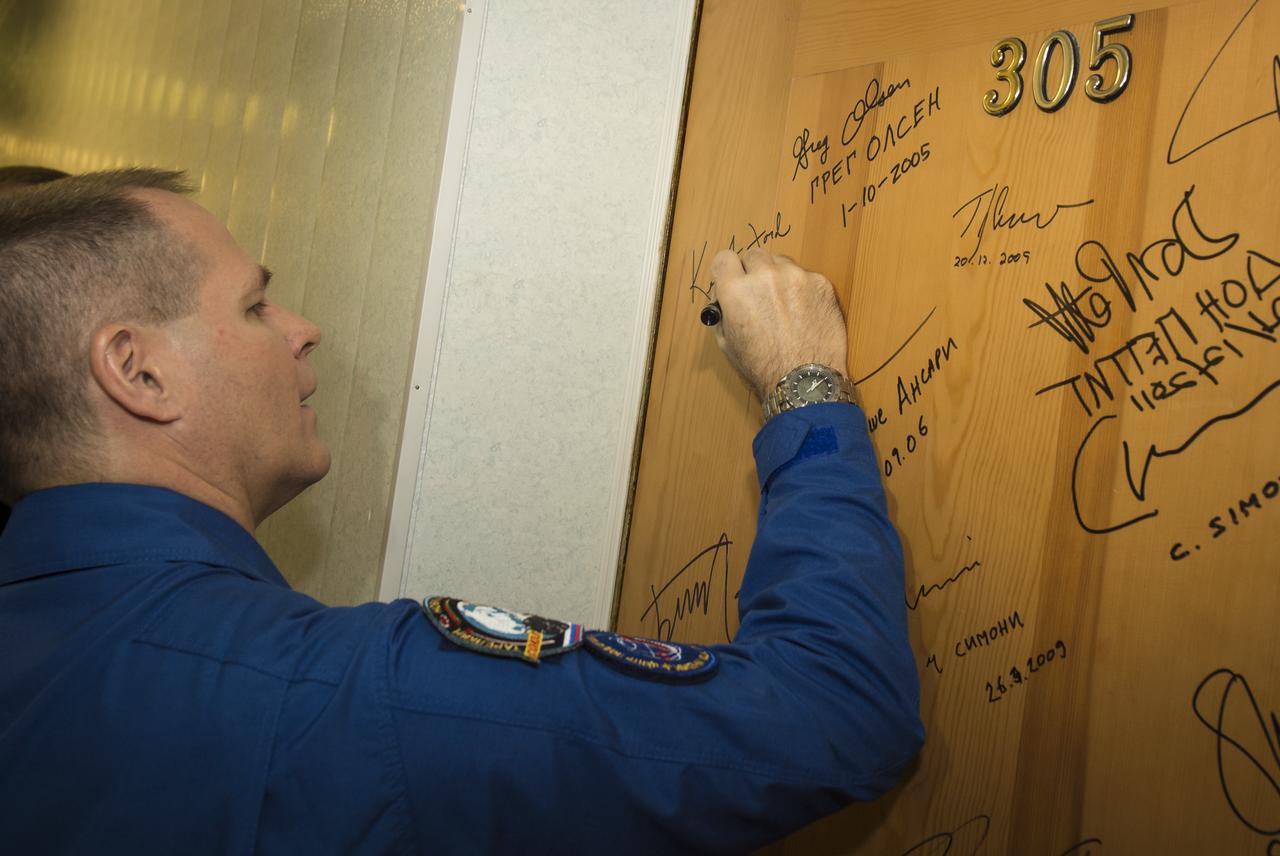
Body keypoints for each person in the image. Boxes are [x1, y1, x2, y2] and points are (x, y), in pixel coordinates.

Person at [0, 169, 923, 853]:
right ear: (138, 372)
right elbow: (835, 714)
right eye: (255, 306)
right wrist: (803, 383)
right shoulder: (334, 700)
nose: (302, 330)